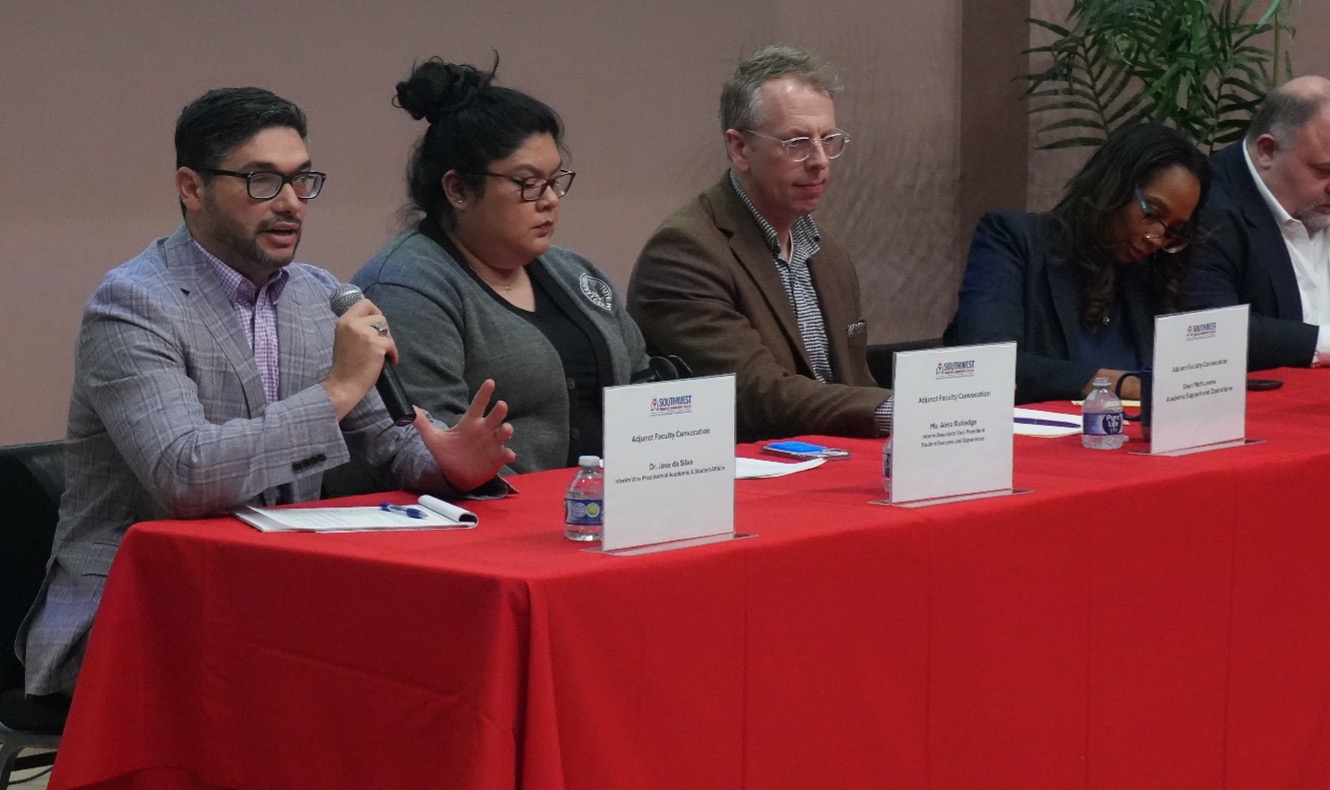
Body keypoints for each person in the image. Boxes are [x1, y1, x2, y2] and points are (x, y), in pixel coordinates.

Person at [16, 87, 515, 698]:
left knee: (440, 651)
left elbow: (384, 443)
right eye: (261, 181)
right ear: (192, 188)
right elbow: (185, 473)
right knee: (346, 680)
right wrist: (335, 389)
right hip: (133, 607)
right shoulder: (133, 306)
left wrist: (445, 462)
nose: (290, 204)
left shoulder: (318, 296)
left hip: (276, 592)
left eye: (302, 182)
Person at [353, 57, 649, 473]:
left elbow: (643, 385)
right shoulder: (406, 287)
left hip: (614, 508)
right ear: (458, 189)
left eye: (554, 181)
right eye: (528, 183)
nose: (549, 200)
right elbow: (438, 443)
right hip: (494, 518)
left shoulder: (576, 272)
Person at [627, 45, 890, 443]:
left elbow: (850, 380)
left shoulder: (827, 251)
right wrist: (891, 409)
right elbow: (753, 396)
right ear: (739, 148)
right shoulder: (685, 252)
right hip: (742, 480)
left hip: (836, 467)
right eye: (797, 142)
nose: (820, 160)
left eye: (828, 139)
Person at [953, 122, 1208, 403]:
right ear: (1113, 185)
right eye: (1152, 214)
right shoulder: (1013, 240)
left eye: (1173, 230)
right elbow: (986, 360)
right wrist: (1114, 383)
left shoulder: (1153, 273)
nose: (1156, 238)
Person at [1186, 76, 1330, 371]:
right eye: (1325, 170)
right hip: (1255, 409)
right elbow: (1209, 332)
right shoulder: (1206, 206)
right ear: (1267, 151)